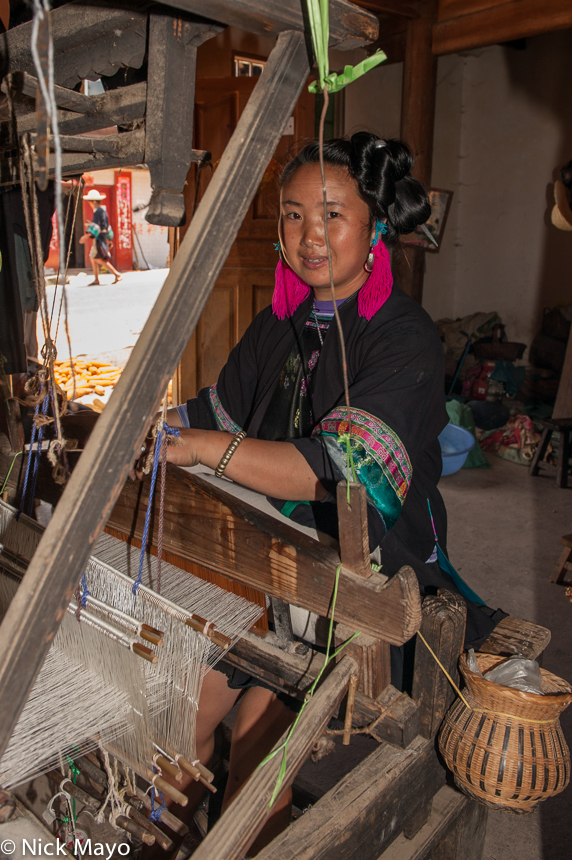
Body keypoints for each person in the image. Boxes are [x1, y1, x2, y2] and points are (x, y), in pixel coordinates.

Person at [136, 132, 506, 850]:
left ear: (373, 229)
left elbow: (345, 465)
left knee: (256, 753)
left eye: (331, 215)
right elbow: (216, 412)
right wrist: (154, 427)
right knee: (180, 720)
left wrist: (213, 448)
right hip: (266, 568)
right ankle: (155, 838)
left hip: (364, 584)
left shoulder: (405, 338)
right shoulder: (281, 323)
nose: (309, 237)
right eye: (293, 214)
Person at [82, 189, 123, 285]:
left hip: (99, 238)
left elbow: (96, 226)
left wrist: (86, 236)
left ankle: (116, 274)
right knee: (93, 257)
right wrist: (109, 239)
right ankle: (96, 279)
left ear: (94, 202)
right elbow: (106, 226)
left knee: (97, 258)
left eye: (90, 202)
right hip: (103, 237)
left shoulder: (98, 212)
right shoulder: (103, 212)